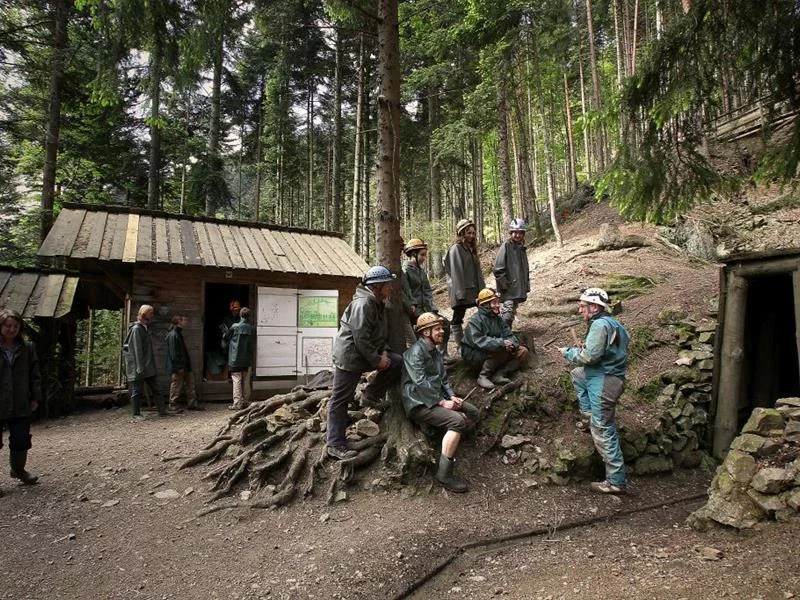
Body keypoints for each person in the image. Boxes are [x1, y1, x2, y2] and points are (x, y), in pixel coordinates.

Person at [326, 265, 403, 460]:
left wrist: (384, 352)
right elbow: (361, 337)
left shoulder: (377, 303)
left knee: (396, 361)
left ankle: (370, 394)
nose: (391, 288)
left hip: (363, 354)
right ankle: (334, 444)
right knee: (340, 399)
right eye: (388, 285)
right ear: (377, 286)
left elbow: (379, 334)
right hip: (350, 357)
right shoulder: (364, 304)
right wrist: (377, 360)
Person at [560, 288, 630, 495]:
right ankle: (589, 414)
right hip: (606, 376)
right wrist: (586, 348)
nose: (580, 310)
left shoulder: (599, 325)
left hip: (604, 380)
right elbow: (605, 350)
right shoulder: (614, 324)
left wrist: (570, 352)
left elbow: (590, 357)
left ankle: (616, 481)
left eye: (583, 306)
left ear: (595, 307)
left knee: (603, 429)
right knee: (577, 374)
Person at [402, 312, 477, 493]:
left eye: (441, 328)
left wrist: (451, 396)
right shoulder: (414, 353)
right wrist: (442, 402)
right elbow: (420, 382)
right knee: (458, 420)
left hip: (437, 399)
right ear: (425, 332)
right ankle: (444, 474)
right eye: (437, 329)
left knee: (473, 412)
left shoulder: (435, 352)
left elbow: (443, 380)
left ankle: (446, 436)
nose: (442, 332)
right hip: (419, 403)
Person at [0, 308, 41, 493]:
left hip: (20, 400)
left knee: (21, 439)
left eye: (15, 326)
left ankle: (18, 470)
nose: (11, 329)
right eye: (8, 326)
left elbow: (35, 375)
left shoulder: (27, 348)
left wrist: (35, 397)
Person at [461, 288, 529, 390]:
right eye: (494, 303)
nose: (498, 305)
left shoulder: (499, 319)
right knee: (499, 348)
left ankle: (500, 374)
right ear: (485, 305)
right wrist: (501, 343)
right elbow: (479, 341)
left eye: (498, 302)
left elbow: (509, 335)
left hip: (495, 351)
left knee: (522, 351)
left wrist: (512, 344)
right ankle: (483, 376)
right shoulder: (474, 321)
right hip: (474, 354)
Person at [402, 238, 452, 359]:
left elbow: (428, 291)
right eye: (422, 255)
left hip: (426, 310)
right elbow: (405, 292)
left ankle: (442, 354)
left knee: (444, 323)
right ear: (413, 254)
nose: (424, 258)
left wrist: (432, 310)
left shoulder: (422, 271)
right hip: (414, 312)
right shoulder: (405, 270)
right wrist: (414, 310)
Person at [123, 304, 172, 420]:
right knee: (137, 391)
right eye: (151, 313)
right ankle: (136, 414)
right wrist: (139, 367)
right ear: (145, 314)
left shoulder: (143, 328)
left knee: (156, 389)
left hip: (147, 366)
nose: (152, 315)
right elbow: (137, 349)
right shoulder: (136, 329)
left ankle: (162, 411)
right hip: (139, 367)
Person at [443, 218, 484, 350]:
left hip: (473, 290)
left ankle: (479, 339)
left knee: (484, 310)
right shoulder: (456, 249)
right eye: (468, 233)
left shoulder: (471, 250)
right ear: (461, 233)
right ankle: (461, 346)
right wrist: (460, 294)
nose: (471, 236)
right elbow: (456, 272)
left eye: (473, 233)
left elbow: (477, 273)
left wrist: (482, 291)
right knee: (457, 318)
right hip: (462, 291)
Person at [493, 218, 530, 328]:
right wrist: (505, 285)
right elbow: (498, 268)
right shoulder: (506, 246)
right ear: (511, 233)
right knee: (507, 312)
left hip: (518, 287)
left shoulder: (521, 248)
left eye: (520, 233)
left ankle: (507, 334)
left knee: (512, 311)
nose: (517, 235)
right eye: (515, 232)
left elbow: (524, 269)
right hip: (509, 288)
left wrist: (525, 286)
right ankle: (503, 335)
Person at [166, 314, 202, 411]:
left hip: (185, 365)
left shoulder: (178, 333)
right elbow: (174, 354)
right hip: (179, 366)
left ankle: (192, 403)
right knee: (176, 385)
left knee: (190, 384)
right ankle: (172, 404)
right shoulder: (173, 335)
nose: (185, 322)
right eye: (184, 321)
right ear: (179, 322)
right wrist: (178, 367)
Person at [227, 307, 255, 410]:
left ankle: (237, 403)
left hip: (235, 359)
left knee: (236, 380)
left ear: (240, 315)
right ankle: (246, 402)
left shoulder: (234, 327)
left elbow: (226, 338)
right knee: (246, 381)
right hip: (247, 359)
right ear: (249, 316)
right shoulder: (252, 329)